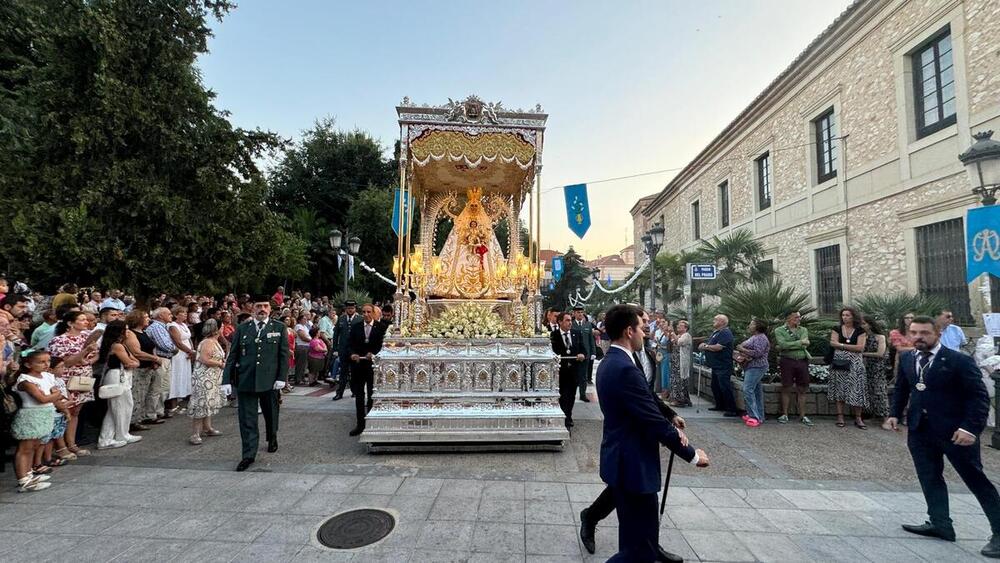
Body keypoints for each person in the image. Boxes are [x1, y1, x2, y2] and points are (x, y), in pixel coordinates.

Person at [595, 304, 709, 562]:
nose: (645, 334)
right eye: (641, 329)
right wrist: (691, 455)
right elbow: (651, 421)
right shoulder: (623, 368)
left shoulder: (613, 361)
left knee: (634, 541)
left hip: (625, 462)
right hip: (633, 465)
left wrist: (670, 416)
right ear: (628, 331)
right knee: (639, 552)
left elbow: (646, 402)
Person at [887, 316, 1000, 558]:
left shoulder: (958, 360)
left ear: (937, 333)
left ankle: (999, 532)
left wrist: (970, 428)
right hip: (920, 430)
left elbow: (978, 397)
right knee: (929, 477)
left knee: (976, 480)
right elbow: (902, 389)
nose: (919, 337)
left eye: (924, 333)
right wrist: (895, 414)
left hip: (955, 431)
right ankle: (940, 523)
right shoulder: (908, 358)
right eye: (914, 332)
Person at [221, 299, 289, 471]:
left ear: (270, 309)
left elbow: (283, 355)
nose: (262, 310)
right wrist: (226, 380)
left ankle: (272, 436)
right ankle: (248, 454)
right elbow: (233, 355)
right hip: (246, 380)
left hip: (270, 381)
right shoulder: (243, 328)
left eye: (265, 306)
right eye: (258, 306)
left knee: (271, 413)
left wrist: (282, 377)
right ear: (253, 309)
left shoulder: (279, 327)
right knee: (247, 419)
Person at [48, 310, 98, 456]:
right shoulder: (59, 341)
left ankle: (72, 443)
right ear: (70, 323)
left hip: (84, 375)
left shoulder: (86, 336)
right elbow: (66, 362)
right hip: (67, 377)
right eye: (81, 320)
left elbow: (97, 354)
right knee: (66, 410)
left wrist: (88, 360)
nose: (86, 322)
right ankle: (61, 446)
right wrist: (84, 353)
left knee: (76, 410)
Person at [11, 349, 63, 492]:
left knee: (34, 445)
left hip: (45, 413)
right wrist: (56, 394)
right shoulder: (26, 380)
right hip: (31, 415)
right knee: (25, 448)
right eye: (41, 362)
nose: (46, 364)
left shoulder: (47, 376)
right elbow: (42, 398)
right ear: (28, 364)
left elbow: (52, 394)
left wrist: (56, 396)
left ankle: (29, 473)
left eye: (48, 361)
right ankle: (23, 479)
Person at [95, 320, 141, 449]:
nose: (128, 332)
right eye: (125, 330)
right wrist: (133, 362)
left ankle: (121, 433)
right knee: (119, 407)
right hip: (117, 376)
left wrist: (134, 362)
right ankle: (111, 437)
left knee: (123, 406)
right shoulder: (117, 346)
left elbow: (134, 360)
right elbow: (129, 362)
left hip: (120, 376)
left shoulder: (119, 345)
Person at [123, 310, 165, 432]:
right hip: (138, 369)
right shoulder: (131, 333)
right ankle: (133, 421)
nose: (148, 319)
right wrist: (155, 358)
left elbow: (151, 347)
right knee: (136, 395)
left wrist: (153, 361)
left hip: (148, 368)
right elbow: (136, 352)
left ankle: (142, 417)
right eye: (145, 317)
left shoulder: (144, 332)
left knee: (145, 394)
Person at [347, 304, 384, 436]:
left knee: (371, 395)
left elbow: (383, 346)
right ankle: (360, 424)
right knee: (359, 396)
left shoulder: (381, 328)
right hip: (358, 365)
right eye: (364, 312)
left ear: (373, 313)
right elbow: (349, 344)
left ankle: (371, 421)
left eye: (369, 312)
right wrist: (352, 354)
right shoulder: (356, 327)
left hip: (372, 367)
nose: (366, 314)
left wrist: (374, 354)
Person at [829, 307, 868, 429]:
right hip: (839, 362)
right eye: (843, 315)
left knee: (857, 389)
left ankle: (858, 418)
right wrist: (850, 346)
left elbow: (860, 348)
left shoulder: (860, 330)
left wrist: (841, 345)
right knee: (839, 388)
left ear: (853, 317)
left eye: (848, 315)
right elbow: (832, 343)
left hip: (855, 363)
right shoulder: (836, 329)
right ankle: (840, 416)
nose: (845, 317)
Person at [189, 319, 225, 445]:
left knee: (208, 403)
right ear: (217, 329)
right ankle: (195, 433)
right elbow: (204, 359)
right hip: (204, 377)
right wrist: (220, 364)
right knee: (201, 403)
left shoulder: (214, 341)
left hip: (212, 377)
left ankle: (207, 427)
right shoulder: (208, 342)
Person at [774, 311, 813, 426]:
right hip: (787, 361)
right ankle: (785, 414)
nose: (798, 319)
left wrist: (792, 344)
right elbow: (782, 345)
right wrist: (800, 342)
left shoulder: (803, 330)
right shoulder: (779, 330)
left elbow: (805, 344)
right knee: (786, 387)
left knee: (802, 388)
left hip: (802, 360)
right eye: (796, 317)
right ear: (788, 318)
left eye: (799, 317)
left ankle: (803, 415)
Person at [699, 314, 738, 416]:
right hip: (716, 365)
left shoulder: (725, 333)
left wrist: (706, 346)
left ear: (722, 322)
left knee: (724, 386)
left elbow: (719, 347)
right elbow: (712, 345)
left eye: (715, 320)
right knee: (715, 386)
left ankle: (731, 409)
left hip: (723, 365)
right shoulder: (716, 333)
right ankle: (720, 405)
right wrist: (705, 346)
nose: (713, 321)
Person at [551, 312, 585, 428]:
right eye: (567, 320)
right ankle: (562, 416)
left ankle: (568, 416)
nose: (570, 323)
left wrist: (582, 354)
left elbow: (583, 349)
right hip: (561, 371)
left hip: (573, 371)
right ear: (560, 322)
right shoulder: (553, 335)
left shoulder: (576, 333)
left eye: (570, 320)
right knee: (562, 395)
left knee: (571, 395)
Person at [145, 307, 177, 422]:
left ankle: (159, 410)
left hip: (166, 358)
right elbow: (165, 345)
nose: (171, 315)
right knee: (156, 388)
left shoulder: (163, 327)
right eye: (168, 314)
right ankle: (151, 414)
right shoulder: (156, 327)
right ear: (160, 316)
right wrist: (174, 348)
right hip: (160, 358)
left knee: (164, 387)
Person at [737, 319, 770, 427]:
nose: (749, 326)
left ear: (757, 326)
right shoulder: (755, 337)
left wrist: (742, 349)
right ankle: (759, 415)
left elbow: (758, 353)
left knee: (747, 389)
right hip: (751, 366)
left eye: (751, 324)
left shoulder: (761, 338)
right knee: (756, 391)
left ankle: (754, 416)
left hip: (757, 366)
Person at [860, 314, 890, 429]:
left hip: (877, 368)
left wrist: (863, 354)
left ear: (870, 324)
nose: (862, 326)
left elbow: (880, 353)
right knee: (868, 391)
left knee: (879, 391)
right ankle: (873, 414)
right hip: (865, 367)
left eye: (864, 324)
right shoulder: (862, 337)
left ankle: (886, 418)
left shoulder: (880, 337)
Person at [332, 300, 361, 400]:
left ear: (355, 309)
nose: (350, 310)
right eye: (348, 308)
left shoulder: (359, 319)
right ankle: (339, 393)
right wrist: (335, 348)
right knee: (343, 373)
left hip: (355, 351)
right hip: (343, 350)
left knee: (355, 373)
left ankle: (354, 391)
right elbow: (336, 334)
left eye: (352, 308)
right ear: (345, 309)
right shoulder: (341, 318)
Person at [167, 306, 195, 411]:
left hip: (186, 353)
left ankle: (180, 400)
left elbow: (189, 338)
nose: (185, 314)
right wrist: (189, 351)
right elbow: (177, 342)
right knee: (177, 376)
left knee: (184, 376)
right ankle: (173, 404)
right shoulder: (172, 326)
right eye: (182, 313)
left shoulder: (184, 325)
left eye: (185, 312)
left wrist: (191, 350)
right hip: (179, 354)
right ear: (176, 315)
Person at [572, 305, 596, 399]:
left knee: (583, 376)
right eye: (578, 312)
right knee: (573, 376)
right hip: (574, 354)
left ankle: (582, 395)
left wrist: (593, 352)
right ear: (574, 313)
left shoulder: (588, 325)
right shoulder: (571, 324)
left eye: (582, 312)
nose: (580, 314)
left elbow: (591, 340)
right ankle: (571, 394)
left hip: (586, 354)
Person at [669, 320, 693, 408]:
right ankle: (681, 399)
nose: (678, 326)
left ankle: (680, 400)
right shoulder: (679, 335)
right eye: (678, 325)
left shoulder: (687, 335)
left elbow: (679, 342)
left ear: (686, 328)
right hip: (676, 361)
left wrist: (672, 332)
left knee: (680, 381)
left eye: (681, 325)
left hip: (681, 362)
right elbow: (672, 342)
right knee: (676, 380)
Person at [889, 312, 915, 377]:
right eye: (907, 318)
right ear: (902, 320)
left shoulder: (918, 332)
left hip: (918, 359)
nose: (909, 320)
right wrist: (916, 348)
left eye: (912, 318)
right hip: (902, 359)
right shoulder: (895, 332)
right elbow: (900, 349)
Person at [654, 318, 672, 399]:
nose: (662, 324)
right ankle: (662, 390)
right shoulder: (660, 332)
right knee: (661, 373)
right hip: (660, 353)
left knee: (666, 373)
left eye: (664, 323)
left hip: (666, 354)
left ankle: (666, 392)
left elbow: (669, 341)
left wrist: (665, 331)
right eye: (662, 323)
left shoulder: (670, 333)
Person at [293, 312, 311, 386]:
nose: (305, 320)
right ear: (300, 320)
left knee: (304, 364)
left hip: (306, 346)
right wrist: (312, 340)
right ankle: (298, 379)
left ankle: (302, 377)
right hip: (301, 346)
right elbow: (303, 337)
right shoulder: (298, 326)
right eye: (304, 318)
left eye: (306, 319)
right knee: (300, 364)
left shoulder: (305, 327)